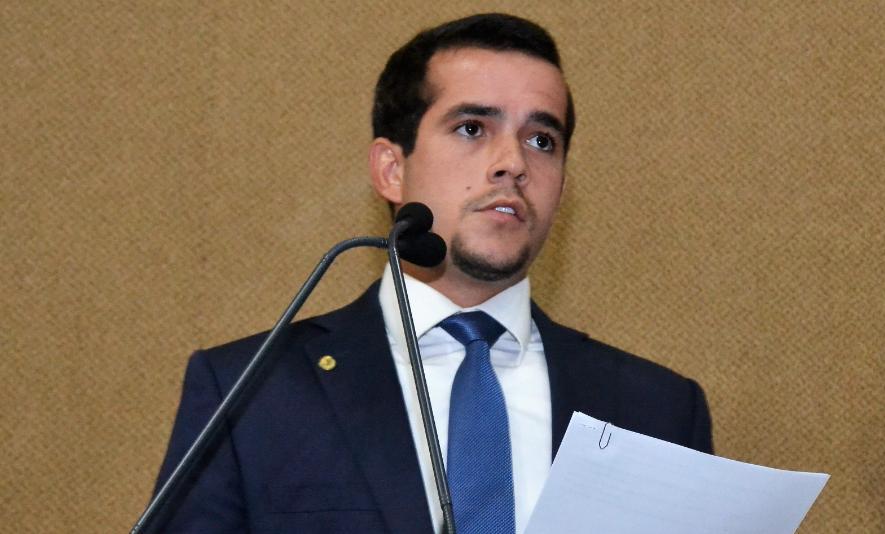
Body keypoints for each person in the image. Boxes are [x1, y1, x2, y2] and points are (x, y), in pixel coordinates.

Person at [154, 13, 713, 534]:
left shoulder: (658, 411)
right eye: (472, 128)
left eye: (542, 140)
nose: (513, 163)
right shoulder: (251, 392)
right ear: (392, 170)